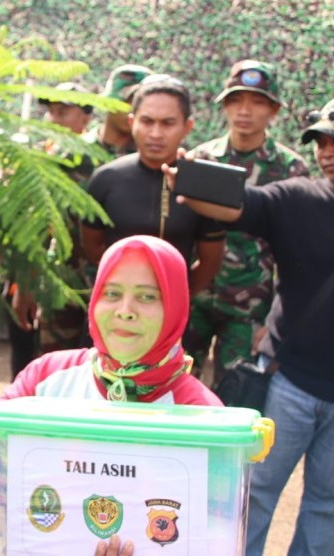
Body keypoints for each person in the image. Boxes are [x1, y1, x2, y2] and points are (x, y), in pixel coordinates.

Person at [0, 235, 221, 552]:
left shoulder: (202, 415)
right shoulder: (47, 378)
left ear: (176, 307)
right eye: (112, 293)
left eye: (147, 297)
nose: (125, 311)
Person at [165, 98, 334, 556]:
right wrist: (189, 179)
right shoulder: (299, 196)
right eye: (321, 141)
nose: (328, 150)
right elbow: (239, 204)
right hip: (291, 382)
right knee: (254, 491)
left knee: (328, 505)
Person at [184, 60, 308, 384]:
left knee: (234, 392)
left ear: (274, 111)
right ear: (225, 106)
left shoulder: (291, 169)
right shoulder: (201, 159)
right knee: (176, 386)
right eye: (236, 100)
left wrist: (277, 317)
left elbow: (296, 250)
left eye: (257, 102)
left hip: (250, 305)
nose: (245, 110)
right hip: (194, 295)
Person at [82, 74, 225, 296]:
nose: (156, 134)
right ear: (132, 122)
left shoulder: (201, 187)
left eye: (168, 123)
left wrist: (177, 298)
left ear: (187, 127)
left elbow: (210, 261)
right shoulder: (106, 179)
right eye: (147, 122)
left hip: (175, 311)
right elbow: (92, 247)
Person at [7, 81, 94, 376]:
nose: (52, 120)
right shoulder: (44, 159)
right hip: (58, 285)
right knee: (55, 367)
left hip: (91, 281)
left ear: (86, 118)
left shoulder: (95, 161)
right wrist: (26, 285)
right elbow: (37, 230)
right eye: (50, 113)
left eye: (62, 112)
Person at [82, 64, 153, 161]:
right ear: (108, 102)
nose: (133, 110)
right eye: (127, 101)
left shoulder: (152, 157)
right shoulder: (76, 149)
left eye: (141, 104)